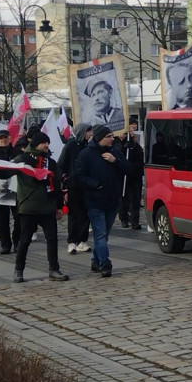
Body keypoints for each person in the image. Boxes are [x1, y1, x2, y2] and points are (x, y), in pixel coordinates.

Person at [0, 131, 68, 283]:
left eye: (47, 143)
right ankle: (18, 271)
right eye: (43, 143)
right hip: (28, 207)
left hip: (47, 207)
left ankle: (54, 269)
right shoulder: (23, 159)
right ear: (35, 145)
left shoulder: (51, 162)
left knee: (52, 239)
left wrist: (59, 206)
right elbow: (6, 172)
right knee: (24, 240)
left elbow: (56, 185)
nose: (46, 145)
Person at [74, 125, 130, 278]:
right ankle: (105, 263)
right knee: (100, 234)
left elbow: (128, 168)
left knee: (104, 236)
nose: (112, 139)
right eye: (108, 136)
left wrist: (115, 161)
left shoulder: (114, 152)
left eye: (112, 136)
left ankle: (95, 260)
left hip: (112, 200)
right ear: (99, 138)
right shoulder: (86, 154)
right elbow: (79, 175)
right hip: (94, 201)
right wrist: (94, 184)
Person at [59, 123, 92, 254]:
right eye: (88, 131)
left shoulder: (89, 146)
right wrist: (65, 179)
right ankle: (72, 241)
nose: (90, 134)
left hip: (86, 185)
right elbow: (61, 164)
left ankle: (82, 241)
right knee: (73, 214)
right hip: (73, 185)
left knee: (85, 214)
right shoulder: (70, 146)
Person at [0, 129, 19, 254]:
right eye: (0, 138)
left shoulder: (17, 153)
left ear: (10, 139)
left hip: (16, 190)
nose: (3, 140)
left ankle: (18, 242)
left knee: (19, 218)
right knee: (2, 220)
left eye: (5, 137)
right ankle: (5, 245)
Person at [118, 117, 145, 229]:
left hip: (135, 175)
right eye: (131, 124)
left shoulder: (136, 143)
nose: (133, 127)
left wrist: (134, 144)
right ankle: (124, 218)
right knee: (123, 198)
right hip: (124, 176)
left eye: (135, 124)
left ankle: (135, 221)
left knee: (135, 200)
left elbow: (141, 157)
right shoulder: (120, 142)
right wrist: (124, 144)